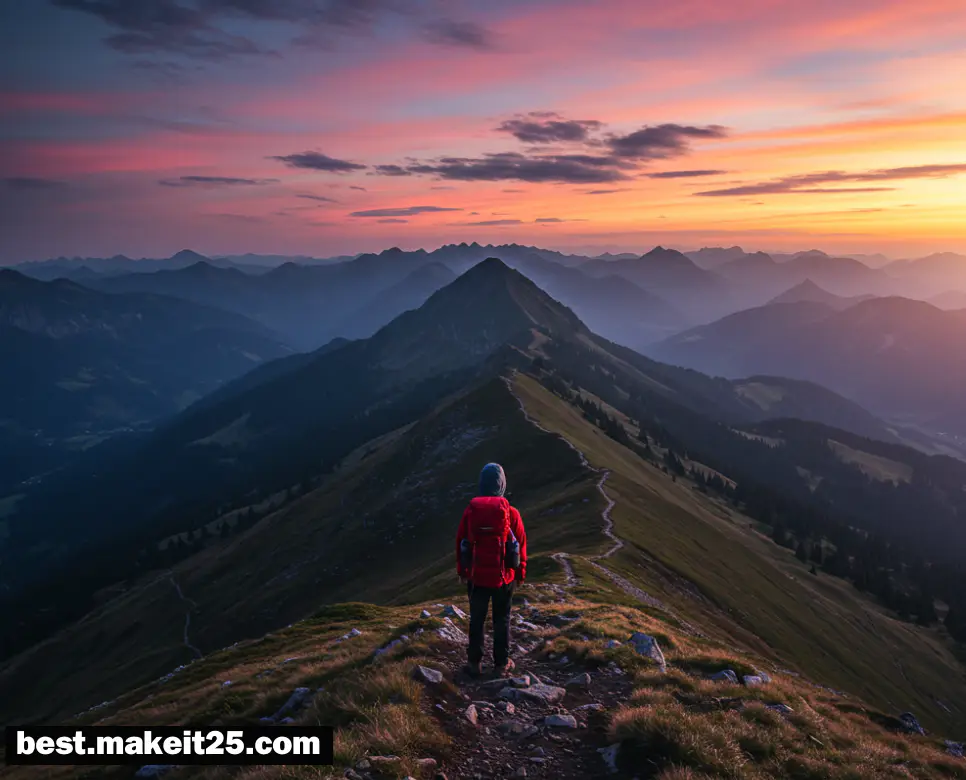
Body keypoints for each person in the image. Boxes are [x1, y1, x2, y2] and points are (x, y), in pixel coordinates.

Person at [455, 462, 527, 677]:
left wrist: (463, 571)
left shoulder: (471, 511)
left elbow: (461, 541)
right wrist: (520, 573)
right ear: (502, 485)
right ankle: (501, 664)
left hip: (476, 577)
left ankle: (474, 663)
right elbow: (521, 544)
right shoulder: (511, 513)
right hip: (503, 577)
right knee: (501, 620)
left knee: (476, 619)